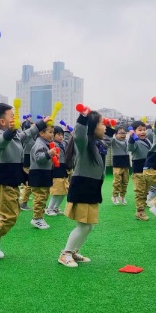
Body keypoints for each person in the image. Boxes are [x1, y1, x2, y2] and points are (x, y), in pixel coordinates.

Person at [0, 103, 48, 258]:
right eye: (12, 116)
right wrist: (10, 132)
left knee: (14, 211)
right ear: (2, 122)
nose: (15, 118)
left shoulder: (16, 134)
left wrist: (42, 123)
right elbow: (0, 143)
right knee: (10, 217)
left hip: (11, 180)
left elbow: (29, 133)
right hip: (3, 181)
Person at [58, 107, 106, 268]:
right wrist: (83, 118)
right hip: (82, 188)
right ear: (92, 127)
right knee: (83, 225)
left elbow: (109, 139)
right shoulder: (84, 143)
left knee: (89, 226)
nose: (104, 126)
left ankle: (72, 251)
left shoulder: (97, 144)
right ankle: (65, 254)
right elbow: (78, 133)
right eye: (101, 123)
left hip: (91, 189)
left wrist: (111, 128)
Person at [28, 124, 57, 229]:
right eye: (50, 132)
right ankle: (36, 218)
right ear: (41, 133)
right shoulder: (39, 144)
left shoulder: (45, 143)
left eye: (52, 132)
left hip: (43, 173)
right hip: (38, 174)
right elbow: (38, 158)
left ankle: (39, 217)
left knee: (43, 196)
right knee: (39, 197)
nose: (52, 134)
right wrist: (49, 153)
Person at [127, 120, 152, 221]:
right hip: (138, 171)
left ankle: (142, 208)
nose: (143, 132)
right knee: (140, 192)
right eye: (139, 130)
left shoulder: (148, 140)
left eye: (144, 129)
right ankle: (140, 212)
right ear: (134, 131)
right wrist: (132, 138)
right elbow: (130, 148)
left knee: (146, 192)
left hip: (148, 170)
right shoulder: (135, 141)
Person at [45, 125, 72, 216]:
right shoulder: (52, 144)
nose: (61, 136)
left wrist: (67, 132)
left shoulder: (62, 144)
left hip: (63, 169)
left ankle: (55, 207)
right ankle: (49, 208)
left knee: (64, 190)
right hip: (56, 170)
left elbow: (67, 140)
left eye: (62, 135)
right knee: (56, 191)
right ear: (53, 135)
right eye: (58, 134)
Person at [110, 126, 130, 205]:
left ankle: (122, 196)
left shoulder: (127, 141)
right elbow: (109, 137)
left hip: (126, 163)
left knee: (125, 181)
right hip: (117, 164)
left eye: (124, 133)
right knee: (117, 181)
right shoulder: (114, 141)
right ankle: (114, 196)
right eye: (120, 133)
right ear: (115, 134)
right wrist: (110, 127)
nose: (123, 134)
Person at [19, 119, 35, 211]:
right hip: (27, 162)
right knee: (28, 184)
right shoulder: (27, 137)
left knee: (28, 184)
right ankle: (23, 203)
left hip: (31, 162)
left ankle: (23, 201)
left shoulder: (33, 138)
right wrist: (27, 121)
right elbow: (26, 130)